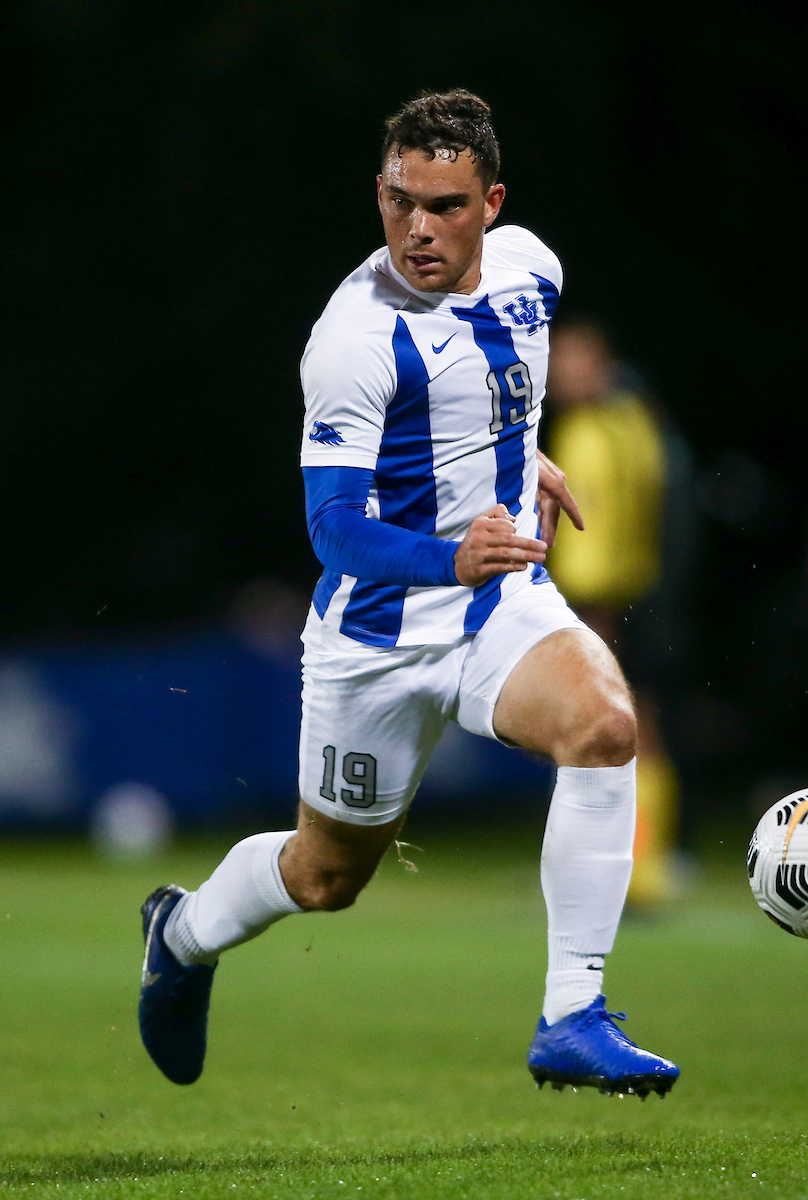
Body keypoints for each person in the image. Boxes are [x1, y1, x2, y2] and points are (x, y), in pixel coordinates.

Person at [138, 89, 679, 1100]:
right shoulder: (351, 338)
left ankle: (572, 1015)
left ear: (492, 204)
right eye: (400, 203)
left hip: (497, 605)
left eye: (446, 206)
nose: (419, 229)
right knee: (325, 879)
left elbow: (491, 392)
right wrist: (450, 555)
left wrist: (529, 461)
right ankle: (180, 934)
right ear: (379, 194)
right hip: (377, 638)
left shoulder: (533, 270)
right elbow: (334, 530)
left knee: (605, 727)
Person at [545, 319, 687, 907]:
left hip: (603, 601)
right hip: (644, 592)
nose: (559, 373)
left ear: (599, 363)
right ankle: (642, 862)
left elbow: (594, 534)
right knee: (636, 725)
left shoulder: (594, 429)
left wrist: (585, 611)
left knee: (606, 728)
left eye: (572, 361)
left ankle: (628, 866)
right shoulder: (638, 419)